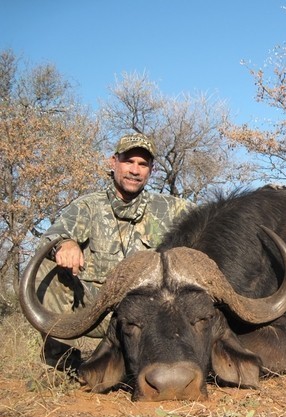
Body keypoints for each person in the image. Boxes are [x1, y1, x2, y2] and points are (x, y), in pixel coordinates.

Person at [35, 133, 194, 369]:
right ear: (113, 162)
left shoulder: (173, 208)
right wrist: (64, 244)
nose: (135, 170)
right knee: (47, 269)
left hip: (150, 316)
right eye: (128, 161)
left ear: (152, 169)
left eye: (142, 164)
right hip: (98, 312)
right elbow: (48, 239)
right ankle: (61, 363)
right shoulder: (88, 206)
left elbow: (214, 221)